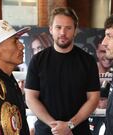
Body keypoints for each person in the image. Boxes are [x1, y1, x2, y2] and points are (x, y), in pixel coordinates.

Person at [25, 7, 100, 135]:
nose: (63, 32)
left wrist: (70, 125)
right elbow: (31, 98)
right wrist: (56, 127)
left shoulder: (88, 61)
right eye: (58, 27)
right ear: (50, 29)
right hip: (46, 131)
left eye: (68, 28)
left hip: (79, 131)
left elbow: (93, 99)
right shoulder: (37, 60)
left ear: (75, 31)